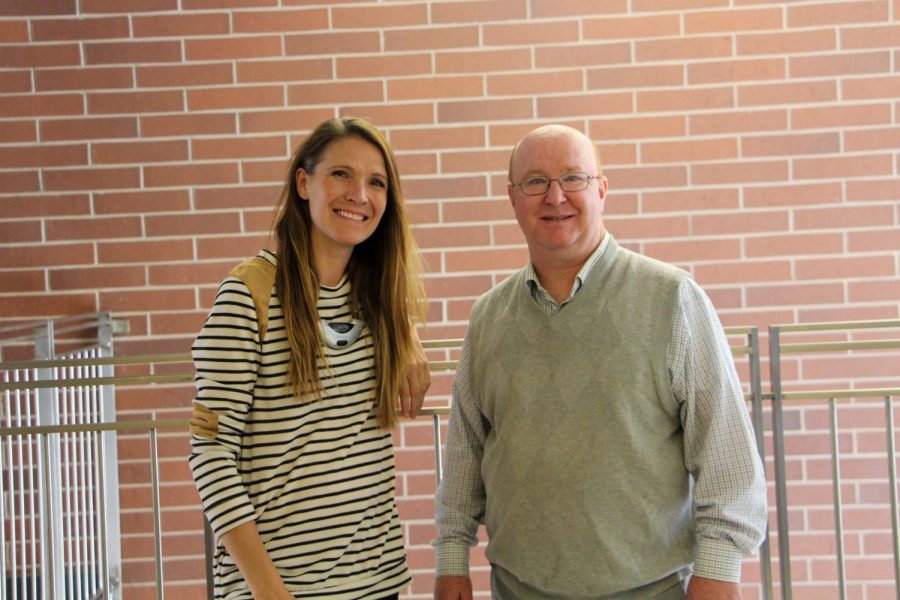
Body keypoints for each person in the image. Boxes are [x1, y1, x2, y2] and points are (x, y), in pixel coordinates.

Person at [433, 124, 767, 600]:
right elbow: (467, 448)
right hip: (516, 588)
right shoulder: (488, 316)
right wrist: (452, 557)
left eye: (573, 178)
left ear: (602, 190)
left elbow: (725, 449)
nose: (555, 196)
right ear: (512, 198)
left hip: (652, 589)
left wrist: (719, 570)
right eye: (535, 182)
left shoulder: (672, 299)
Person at [189, 116, 429, 600]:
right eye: (341, 174)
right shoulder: (248, 294)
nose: (359, 194)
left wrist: (408, 334)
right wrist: (269, 590)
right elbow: (211, 454)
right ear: (304, 182)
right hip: (281, 590)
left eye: (376, 182)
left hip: (378, 583)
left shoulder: (378, 300)